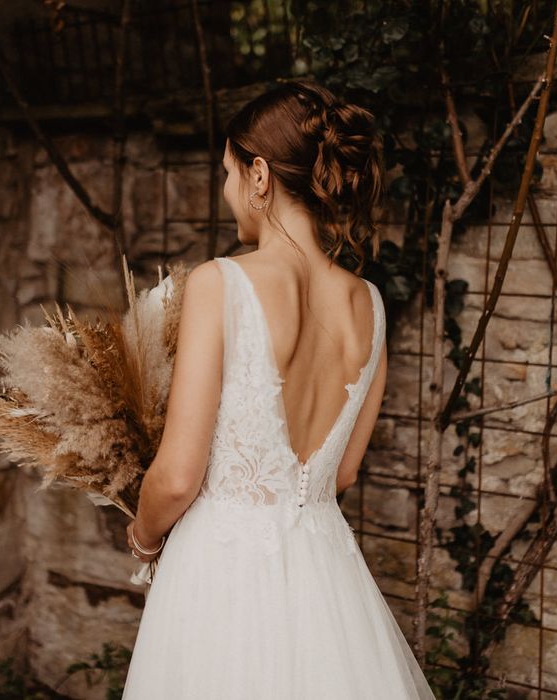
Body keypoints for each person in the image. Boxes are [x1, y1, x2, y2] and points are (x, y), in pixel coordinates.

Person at [121, 78, 436, 699]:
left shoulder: (220, 283)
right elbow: (341, 474)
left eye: (228, 173)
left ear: (260, 175)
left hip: (221, 572)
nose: (226, 192)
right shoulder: (369, 303)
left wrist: (142, 536)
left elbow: (179, 474)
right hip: (324, 573)